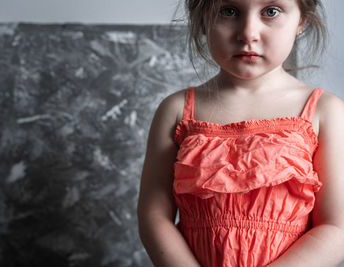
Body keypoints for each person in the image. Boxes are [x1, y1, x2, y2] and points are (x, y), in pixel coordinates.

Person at [137, 0, 344, 266]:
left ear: (301, 21)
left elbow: (337, 229)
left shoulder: (326, 112)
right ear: (201, 19)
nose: (248, 33)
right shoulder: (177, 110)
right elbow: (154, 218)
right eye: (229, 11)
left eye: (271, 12)